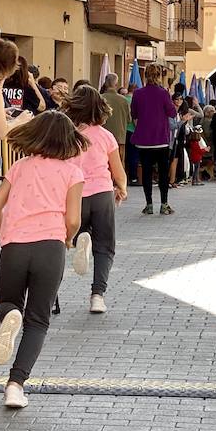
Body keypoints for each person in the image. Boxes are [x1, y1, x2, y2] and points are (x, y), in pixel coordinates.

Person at [0, 111, 86, 408]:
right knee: (38, 320)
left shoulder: (19, 166)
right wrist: (67, 239)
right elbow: (73, 219)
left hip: (15, 245)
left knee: (6, 303)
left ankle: (9, 317)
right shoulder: (72, 172)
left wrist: (4, 235)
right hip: (50, 247)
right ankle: (15, 386)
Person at [63, 86, 126, 314]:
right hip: (101, 193)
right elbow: (117, 171)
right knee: (106, 247)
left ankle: (81, 237)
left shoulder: (68, 134)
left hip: (74, 194)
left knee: (64, 240)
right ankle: (97, 296)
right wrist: (122, 188)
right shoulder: (106, 136)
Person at [130, 64, 176, 215]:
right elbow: (171, 112)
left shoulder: (137, 93)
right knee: (163, 173)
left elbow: (134, 114)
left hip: (143, 140)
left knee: (147, 172)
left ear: (145, 76)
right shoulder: (163, 93)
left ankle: (149, 204)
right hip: (161, 138)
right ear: (159, 76)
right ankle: (164, 204)